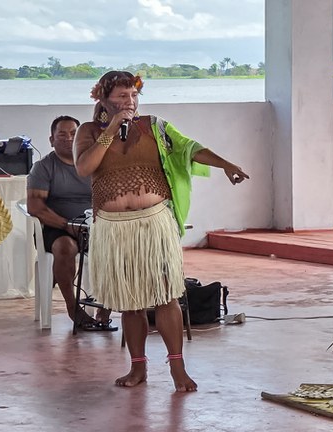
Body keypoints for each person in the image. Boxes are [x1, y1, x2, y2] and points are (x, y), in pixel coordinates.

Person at [74, 71, 249, 392]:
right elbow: (85, 167)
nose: (130, 102)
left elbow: (189, 149)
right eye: (121, 97)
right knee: (130, 301)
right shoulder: (88, 131)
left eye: (133, 95)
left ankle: (177, 368)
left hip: (154, 224)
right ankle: (138, 368)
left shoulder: (154, 126)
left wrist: (226, 164)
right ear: (102, 99)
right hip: (113, 229)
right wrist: (112, 129)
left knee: (167, 295)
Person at [27, 115, 115, 330]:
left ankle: (105, 308)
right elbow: (35, 206)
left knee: (118, 245)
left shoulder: (94, 163)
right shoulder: (44, 167)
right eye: (62, 135)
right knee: (65, 247)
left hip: (95, 225)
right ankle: (73, 307)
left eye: (74, 134)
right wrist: (67, 225)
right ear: (51, 140)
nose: (68, 139)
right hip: (58, 228)